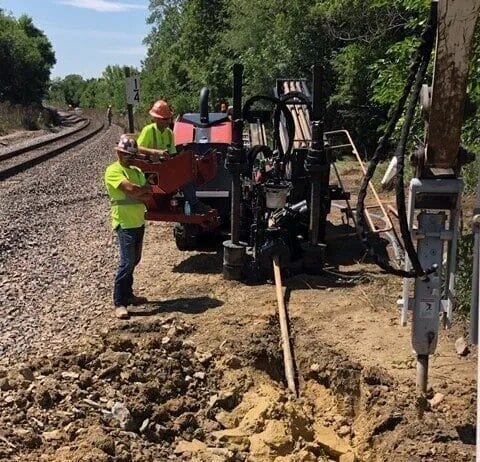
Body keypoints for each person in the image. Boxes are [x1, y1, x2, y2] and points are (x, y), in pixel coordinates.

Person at [104, 135, 152, 319]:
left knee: (135, 260)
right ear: (118, 152)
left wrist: (141, 191)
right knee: (126, 262)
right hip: (124, 222)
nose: (128, 157)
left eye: (131, 155)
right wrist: (140, 191)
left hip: (138, 221)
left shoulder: (137, 171)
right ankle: (119, 302)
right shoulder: (113, 171)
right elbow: (132, 190)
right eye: (125, 154)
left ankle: (129, 294)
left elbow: (148, 192)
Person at [137, 100, 211, 213]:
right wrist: (156, 152)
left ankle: (191, 203)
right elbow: (138, 148)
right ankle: (194, 204)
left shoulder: (168, 133)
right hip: (150, 172)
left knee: (186, 174)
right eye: (165, 119)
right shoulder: (149, 130)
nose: (168, 121)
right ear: (156, 119)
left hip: (163, 169)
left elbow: (173, 153)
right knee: (182, 177)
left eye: (169, 118)